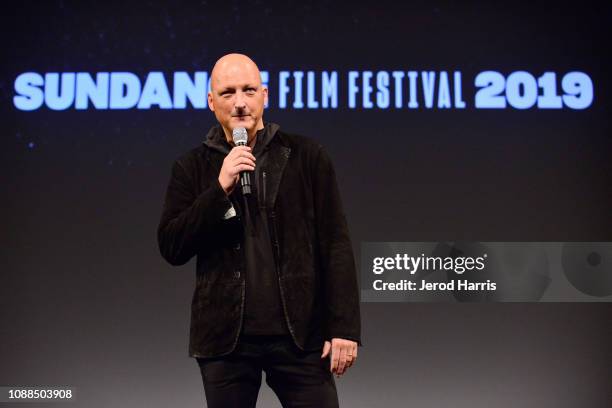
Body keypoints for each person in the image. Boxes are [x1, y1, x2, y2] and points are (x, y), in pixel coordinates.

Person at [157, 53, 361, 408]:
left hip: (300, 336)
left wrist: (343, 327)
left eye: (248, 90)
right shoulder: (191, 167)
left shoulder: (306, 156)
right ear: (210, 101)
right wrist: (219, 189)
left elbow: (335, 243)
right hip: (226, 340)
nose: (239, 103)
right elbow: (172, 245)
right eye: (227, 92)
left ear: (265, 95)